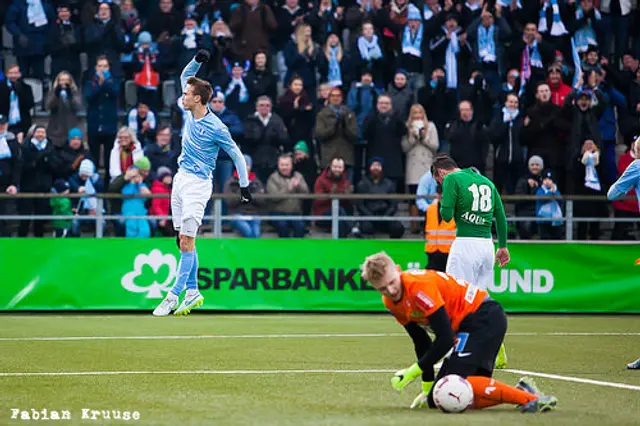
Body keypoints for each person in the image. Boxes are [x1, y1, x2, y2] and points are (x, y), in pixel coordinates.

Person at [360, 252, 557, 413]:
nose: (391, 290)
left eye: (392, 282)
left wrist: (412, 372)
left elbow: (445, 339)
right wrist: (427, 389)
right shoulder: (390, 302)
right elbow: (421, 342)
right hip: (466, 328)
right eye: (383, 289)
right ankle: (520, 391)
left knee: (457, 383)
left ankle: (532, 399)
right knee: (438, 397)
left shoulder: (418, 287)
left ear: (398, 271)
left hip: (484, 317)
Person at [153, 50, 252, 317]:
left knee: (187, 238)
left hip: (198, 183)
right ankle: (193, 291)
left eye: (186, 94)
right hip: (180, 178)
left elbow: (236, 154)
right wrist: (197, 59)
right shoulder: (189, 113)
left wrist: (244, 185)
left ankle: (173, 295)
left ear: (197, 99)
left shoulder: (217, 127)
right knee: (182, 242)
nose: (182, 96)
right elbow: (186, 75)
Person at [431, 153, 509, 369]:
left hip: (465, 244)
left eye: (438, 181)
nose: (441, 185)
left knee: (454, 300)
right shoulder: (485, 181)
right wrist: (502, 246)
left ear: (441, 173)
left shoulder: (451, 180)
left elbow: (446, 215)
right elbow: (500, 215)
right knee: (478, 303)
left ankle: (451, 351)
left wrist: (447, 201)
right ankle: (497, 348)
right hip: (487, 245)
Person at [424, 186, 455, 272]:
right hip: (432, 253)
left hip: (450, 253)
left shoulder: (457, 210)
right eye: (440, 194)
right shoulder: (430, 209)